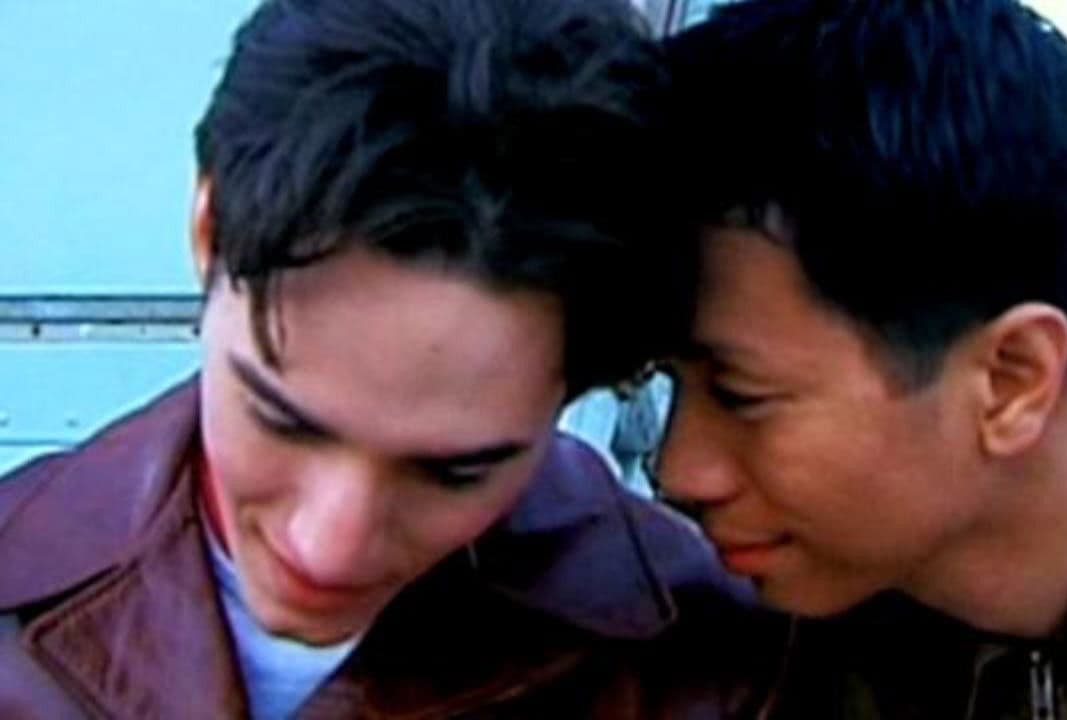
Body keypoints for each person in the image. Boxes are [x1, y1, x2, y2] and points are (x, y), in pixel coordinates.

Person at [0, 0, 771, 716]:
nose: (329, 547)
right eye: (281, 422)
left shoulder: (708, 663)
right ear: (210, 229)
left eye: (454, 472)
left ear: (579, 382)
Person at [657, 0, 1067, 717]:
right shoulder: (714, 647)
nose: (678, 470)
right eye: (664, 383)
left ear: (1011, 380)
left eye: (739, 394)